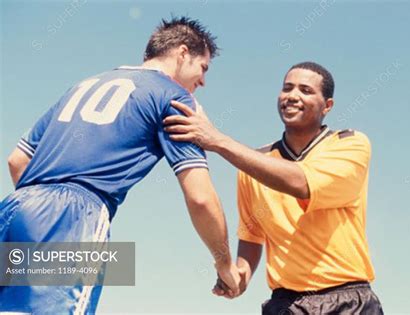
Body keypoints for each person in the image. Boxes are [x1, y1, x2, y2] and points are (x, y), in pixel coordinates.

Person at [0, 16, 240, 314]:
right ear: (182, 54)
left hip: (14, 207)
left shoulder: (85, 84)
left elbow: (17, 160)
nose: (202, 80)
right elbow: (201, 197)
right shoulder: (176, 98)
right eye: (203, 68)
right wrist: (225, 263)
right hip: (72, 219)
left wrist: (36, 216)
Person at [163, 61, 384, 314]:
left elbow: (301, 182)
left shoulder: (350, 144)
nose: (293, 96)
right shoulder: (254, 165)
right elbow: (252, 234)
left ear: (327, 106)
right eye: (287, 88)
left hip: (347, 301)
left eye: (305, 90)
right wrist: (239, 275)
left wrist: (217, 140)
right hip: (285, 304)